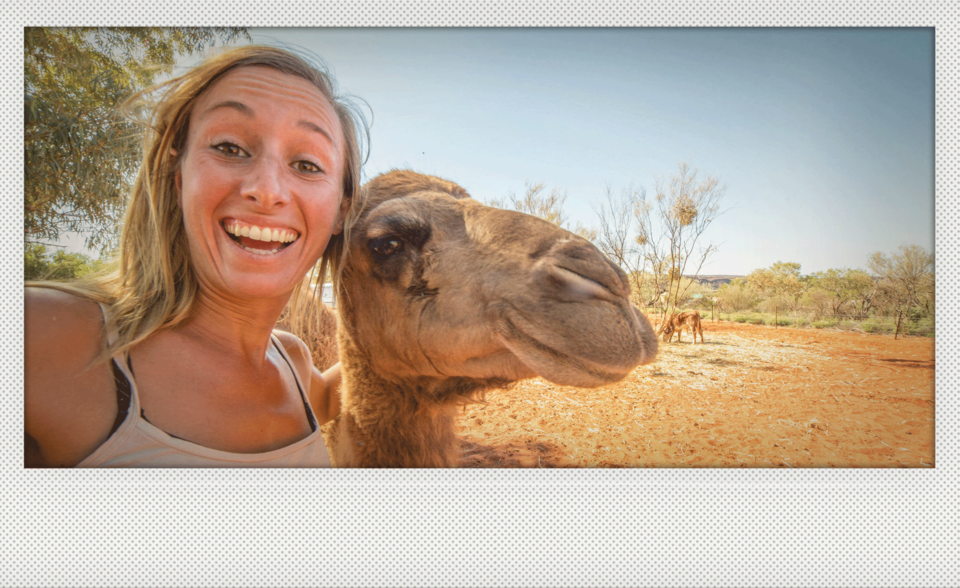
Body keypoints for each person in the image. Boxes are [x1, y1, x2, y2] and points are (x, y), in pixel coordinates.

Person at [24, 46, 368, 467]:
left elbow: (342, 392)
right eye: (229, 147)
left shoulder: (292, 361)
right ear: (177, 175)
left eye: (307, 164)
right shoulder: (43, 336)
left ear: (341, 210)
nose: (268, 189)